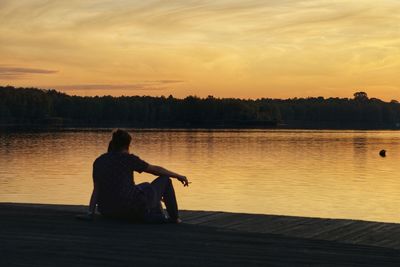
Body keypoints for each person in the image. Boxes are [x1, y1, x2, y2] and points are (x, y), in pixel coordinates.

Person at [87, 129, 189, 223]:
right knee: (166, 180)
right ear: (128, 145)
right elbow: (155, 170)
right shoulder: (128, 159)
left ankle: (155, 211)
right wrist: (178, 176)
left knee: (145, 185)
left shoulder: (99, 161)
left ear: (112, 144)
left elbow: (96, 189)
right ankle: (174, 218)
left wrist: (90, 212)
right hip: (130, 209)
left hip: (108, 211)